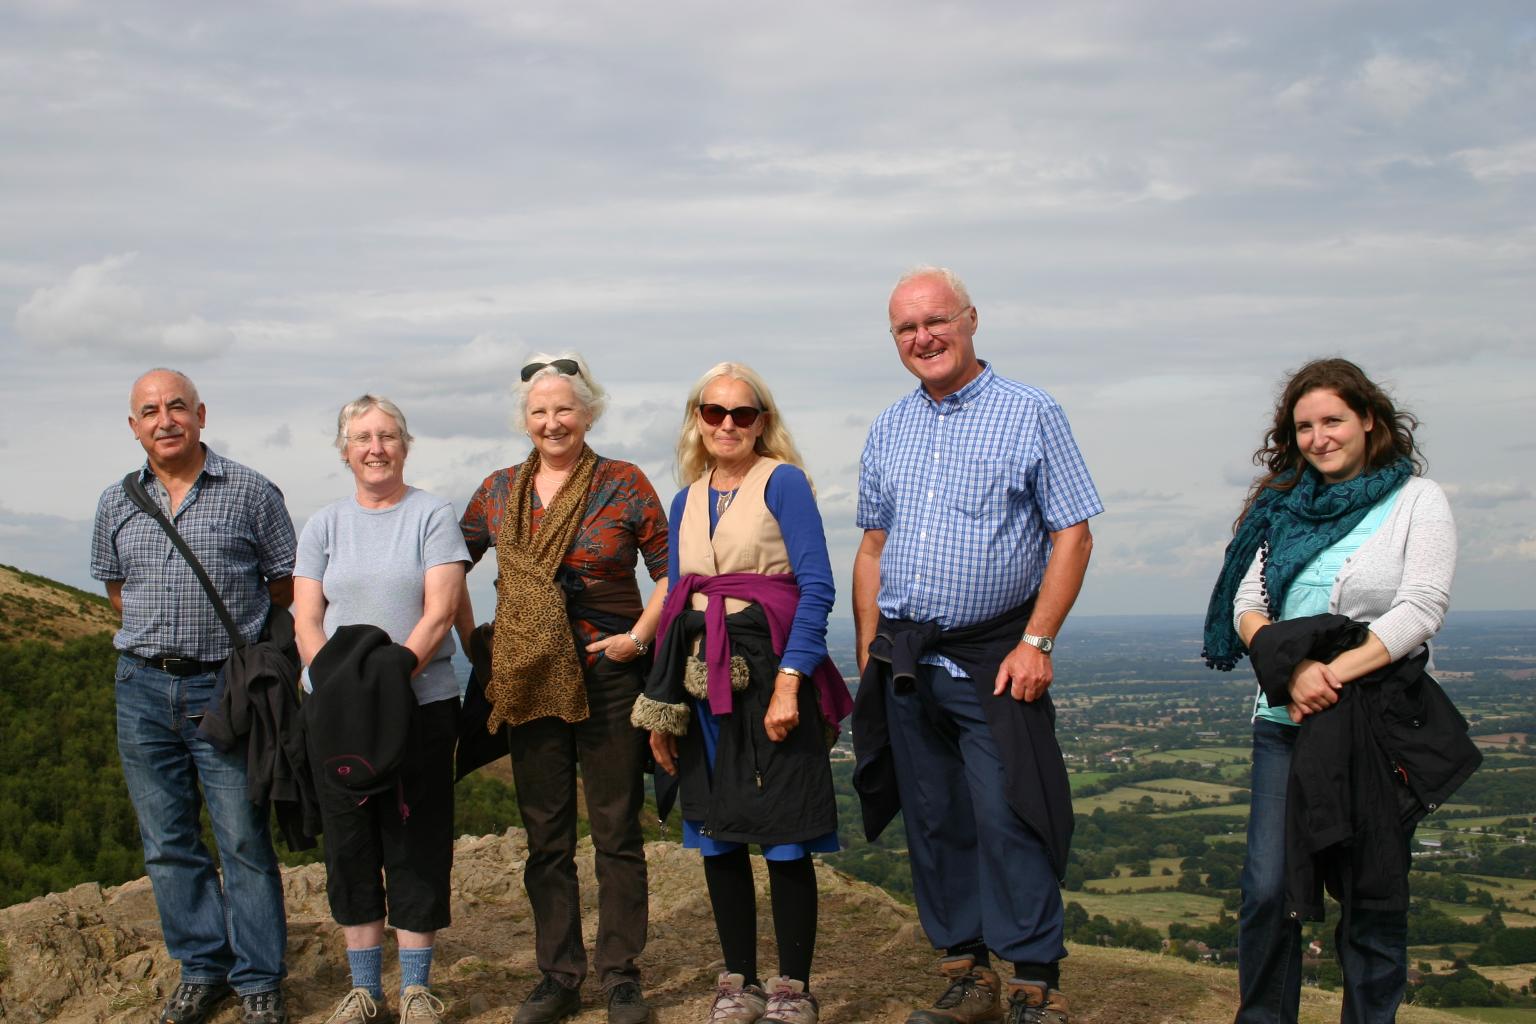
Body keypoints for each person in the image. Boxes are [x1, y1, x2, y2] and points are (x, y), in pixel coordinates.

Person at [852, 267, 1102, 1024]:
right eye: (905, 328)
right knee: (935, 818)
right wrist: (870, 646)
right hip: (906, 658)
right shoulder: (889, 426)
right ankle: (967, 974)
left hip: (997, 653)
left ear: (971, 319)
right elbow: (872, 546)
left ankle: (1033, 983)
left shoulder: (1031, 411)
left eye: (936, 321)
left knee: (1009, 812)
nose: (922, 338)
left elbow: (1073, 532)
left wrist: (1038, 640)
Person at [1203, 358, 1460, 1024]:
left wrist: (1330, 675)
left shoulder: (1415, 501)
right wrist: (1292, 673)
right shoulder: (1279, 507)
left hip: (1372, 723)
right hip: (1283, 722)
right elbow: (1249, 602)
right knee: (1266, 891)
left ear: (1368, 419)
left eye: (1333, 421)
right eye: (1305, 426)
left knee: (1371, 895)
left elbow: (1421, 607)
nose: (1319, 437)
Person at [632, 361, 851, 1024]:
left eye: (742, 413)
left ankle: (792, 987)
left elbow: (816, 587)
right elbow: (676, 599)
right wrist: (662, 706)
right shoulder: (686, 498)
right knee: (718, 829)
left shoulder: (782, 484)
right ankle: (739, 982)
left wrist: (792, 682)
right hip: (702, 677)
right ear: (697, 419)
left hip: (770, 669)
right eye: (714, 411)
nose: (727, 424)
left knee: (785, 833)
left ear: (763, 421)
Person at [457, 353, 669, 1024]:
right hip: (527, 677)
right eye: (540, 411)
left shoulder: (624, 483)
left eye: (564, 410)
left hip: (608, 673)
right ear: (526, 420)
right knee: (545, 833)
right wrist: (476, 644)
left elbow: (673, 574)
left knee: (614, 829)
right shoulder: (496, 492)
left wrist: (636, 639)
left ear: (588, 414)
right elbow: (444, 566)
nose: (552, 422)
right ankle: (559, 975)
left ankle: (621, 975)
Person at [90, 368, 295, 1024]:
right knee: (168, 839)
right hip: (141, 687)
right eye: (149, 411)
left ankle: (260, 976)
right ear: (134, 426)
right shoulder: (115, 502)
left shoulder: (251, 492)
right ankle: (203, 967)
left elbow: (285, 584)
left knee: (242, 838)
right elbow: (117, 589)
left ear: (201, 414)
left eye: (176, 406)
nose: (164, 419)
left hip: (224, 688)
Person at [292, 395, 469, 1024]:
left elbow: (440, 610)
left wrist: (390, 683)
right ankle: (364, 989)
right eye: (363, 437)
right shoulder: (322, 526)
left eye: (387, 436)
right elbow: (306, 618)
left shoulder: (431, 515)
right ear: (346, 450)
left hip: (419, 706)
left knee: (416, 837)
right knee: (349, 845)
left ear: (405, 445)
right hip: (336, 716)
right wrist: (339, 689)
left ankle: (416, 988)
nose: (375, 447)